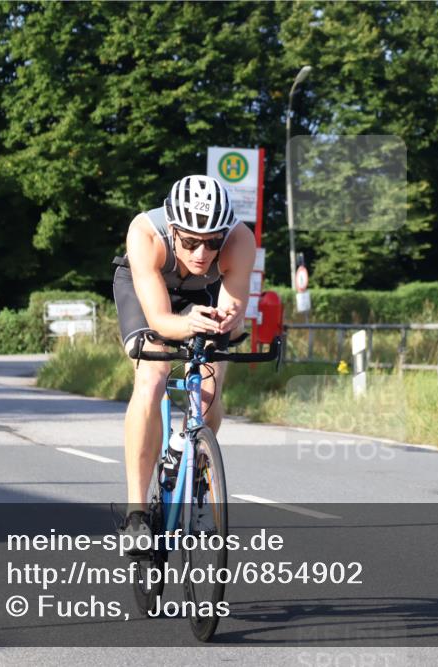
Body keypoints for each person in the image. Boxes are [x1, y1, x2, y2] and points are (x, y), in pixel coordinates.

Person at [112, 175, 256, 545]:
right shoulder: (145, 234)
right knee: (153, 375)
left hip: (200, 295)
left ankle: (190, 459)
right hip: (147, 293)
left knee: (210, 379)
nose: (201, 254)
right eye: (191, 241)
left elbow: (233, 306)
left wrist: (227, 319)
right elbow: (160, 321)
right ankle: (136, 514)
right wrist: (183, 325)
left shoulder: (240, 240)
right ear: (174, 229)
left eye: (212, 243)